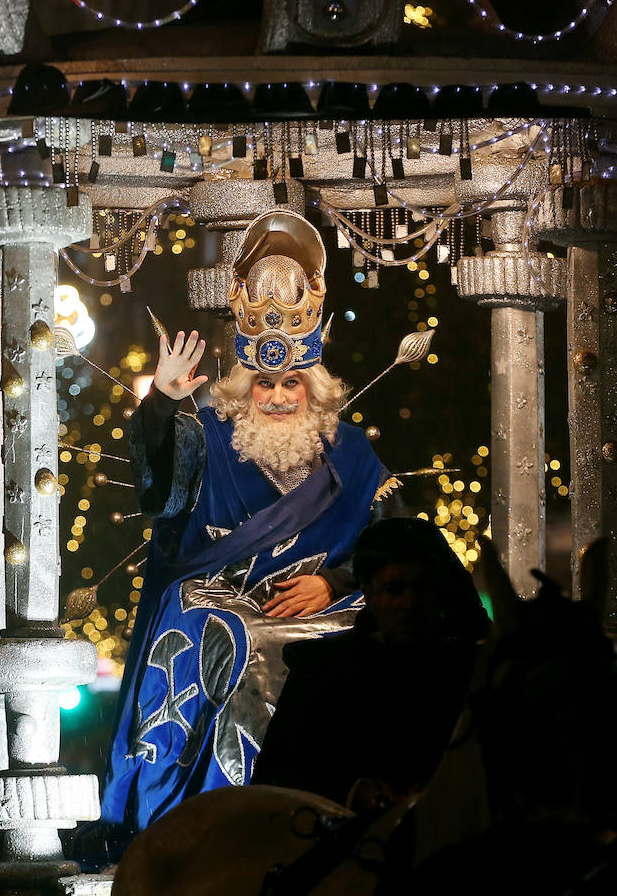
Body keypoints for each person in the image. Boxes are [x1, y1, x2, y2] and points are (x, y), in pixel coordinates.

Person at [101, 210, 401, 834]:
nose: (278, 397)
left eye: (292, 382)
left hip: (325, 613)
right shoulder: (206, 436)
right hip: (217, 604)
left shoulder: (351, 455)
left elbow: (394, 548)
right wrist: (162, 401)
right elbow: (162, 488)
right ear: (243, 385)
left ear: (315, 387)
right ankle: (218, 817)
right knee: (235, 637)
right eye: (264, 383)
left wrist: (339, 583)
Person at [250, 517, 490, 807]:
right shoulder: (326, 671)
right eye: (394, 589)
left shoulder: (468, 668)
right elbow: (280, 778)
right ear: (370, 594)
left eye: (422, 588)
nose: (409, 604)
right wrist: (356, 793)